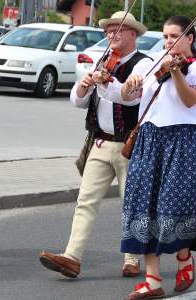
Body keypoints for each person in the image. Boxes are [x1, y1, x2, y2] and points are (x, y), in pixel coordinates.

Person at [120, 16, 196, 299]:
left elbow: (188, 100)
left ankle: (184, 257)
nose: (169, 41)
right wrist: (128, 84)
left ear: (190, 39)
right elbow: (127, 97)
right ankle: (153, 280)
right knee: (144, 208)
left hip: (183, 141)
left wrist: (175, 72)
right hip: (150, 140)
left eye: (175, 36)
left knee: (172, 208)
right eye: (166, 36)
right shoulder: (150, 64)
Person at [39, 11, 152, 278]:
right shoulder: (103, 60)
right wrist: (84, 86)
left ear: (133, 34)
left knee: (132, 203)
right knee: (85, 201)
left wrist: (107, 82)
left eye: (118, 29)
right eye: (109, 30)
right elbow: (77, 101)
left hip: (130, 145)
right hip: (100, 142)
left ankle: (133, 258)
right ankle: (72, 257)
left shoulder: (143, 64)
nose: (111, 34)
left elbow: (130, 98)